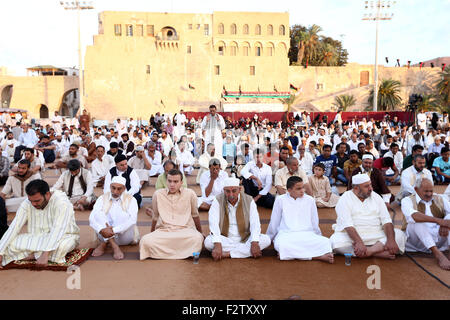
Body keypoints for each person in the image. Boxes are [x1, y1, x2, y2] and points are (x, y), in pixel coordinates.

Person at [0, 180, 80, 268]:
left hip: (64, 236)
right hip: (37, 237)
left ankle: (33, 254)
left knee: (62, 247)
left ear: (47, 194)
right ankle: (38, 254)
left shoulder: (61, 202)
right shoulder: (28, 203)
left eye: (37, 201)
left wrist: (45, 254)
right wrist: (0, 252)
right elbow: (14, 227)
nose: (33, 204)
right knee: (10, 244)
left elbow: (58, 229)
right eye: (31, 201)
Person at [331, 173, 406, 259]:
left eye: (370, 185)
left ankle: (369, 252)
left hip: (376, 234)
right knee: (335, 241)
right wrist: (358, 242)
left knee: (399, 235)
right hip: (353, 237)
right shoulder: (345, 198)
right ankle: (377, 253)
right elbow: (348, 225)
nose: (371, 188)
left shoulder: (376, 197)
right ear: (356, 188)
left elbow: (386, 221)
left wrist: (391, 240)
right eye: (366, 186)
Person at [140, 169, 204, 260]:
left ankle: (163, 254)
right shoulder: (158, 194)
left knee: (197, 238)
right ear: (166, 181)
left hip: (185, 230)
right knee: (145, 241)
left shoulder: (190, 194)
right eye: (169, 181)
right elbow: (155, 217)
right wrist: (152, 233)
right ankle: (184, 253)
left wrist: (200, 232)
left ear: (181, 182)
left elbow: (195, 215)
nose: (172, 184)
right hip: (164, 231)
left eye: (175, 181)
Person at [267, 176, 334, 263]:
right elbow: (274, 221)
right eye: (298, 188)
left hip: (307, 234)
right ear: (289, 190)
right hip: (286, 234)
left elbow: (314, 221)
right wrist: (270, 238)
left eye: (303, 187)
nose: (302, 190)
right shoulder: (280, 200)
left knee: (326, 242)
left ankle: (290, 255)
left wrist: (318, 235)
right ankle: (317, 256)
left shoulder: (310, 200)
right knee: (282, 245)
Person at [204, 177, 271, 260]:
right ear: (224, 190)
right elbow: (213, 223)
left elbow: (255, 223)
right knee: (208, 242)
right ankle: (243, 251)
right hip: (225, 238)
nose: (231, 195)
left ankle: (229, 254)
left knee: (266, 240)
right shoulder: (217, 200)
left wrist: (254, 242)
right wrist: (217, 243)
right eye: (227, 191)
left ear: (239, 190)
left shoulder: (249, 200)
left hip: (245, 238)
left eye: (234, 191)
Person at [400, 177, 450, 270]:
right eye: (426, 191)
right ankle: (438, 255)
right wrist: (440, 221)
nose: (429, 194)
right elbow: (414, 216)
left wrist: (445, 223)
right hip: (416, 242)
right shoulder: (407, 200)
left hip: (439, 238)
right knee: (417, 222)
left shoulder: (439, 198)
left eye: (431, 191)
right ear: (416, 189)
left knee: (448, 218)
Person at [89, 176, 139, 260]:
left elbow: (132, 220)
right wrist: (101, 230)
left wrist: (112, 231)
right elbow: (91, 218)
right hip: (103, 233)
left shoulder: (132, 200)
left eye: (119, 189)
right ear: (110, 186)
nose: (115, 192)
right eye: (113, 188)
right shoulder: (102, 198)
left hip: (124, 237)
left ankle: (104, 243)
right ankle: (114, 246)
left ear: (124, 188)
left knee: (124, 216)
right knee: (98, 214)